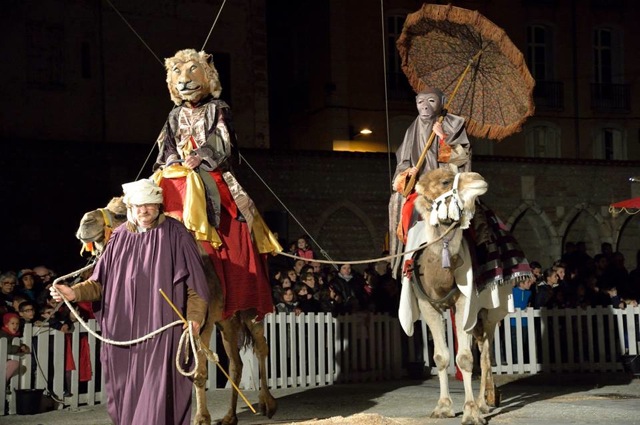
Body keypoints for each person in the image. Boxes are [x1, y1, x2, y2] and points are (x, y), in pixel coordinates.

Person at [50, 178, 209, 425]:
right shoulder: (119, 236)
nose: (144, 211)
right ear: (129, 208)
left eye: (149, 205)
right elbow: (98, 283)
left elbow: (196, 288)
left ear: (158, 206)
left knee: (156, 398)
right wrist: (73, 293)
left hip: (162, 330)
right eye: (137, 206)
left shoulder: (177, 235)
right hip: (123, 332)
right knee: (125, 397)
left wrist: (195, 319)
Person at [152, 48, 280, 323]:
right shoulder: (173, 115)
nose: (184, 79)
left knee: (234, 215)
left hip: (210, 171)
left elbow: (222, 141)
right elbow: (167, 146)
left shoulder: (217, 108)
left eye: (192, 70)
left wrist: (199, 157)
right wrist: (174, 160)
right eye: (177, 73)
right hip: (178, 172)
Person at [388, 88, 471, 272]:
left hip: (445, 186)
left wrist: (443, 137)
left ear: (442, 101)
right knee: (406, 210)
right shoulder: (412, 130)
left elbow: (462, 157)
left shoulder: (453, 124)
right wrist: (408, 172)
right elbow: (402, 163)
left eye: (431, 101)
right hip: (420, 188)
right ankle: (409, 260)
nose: (425, 106)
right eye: (420, 102)